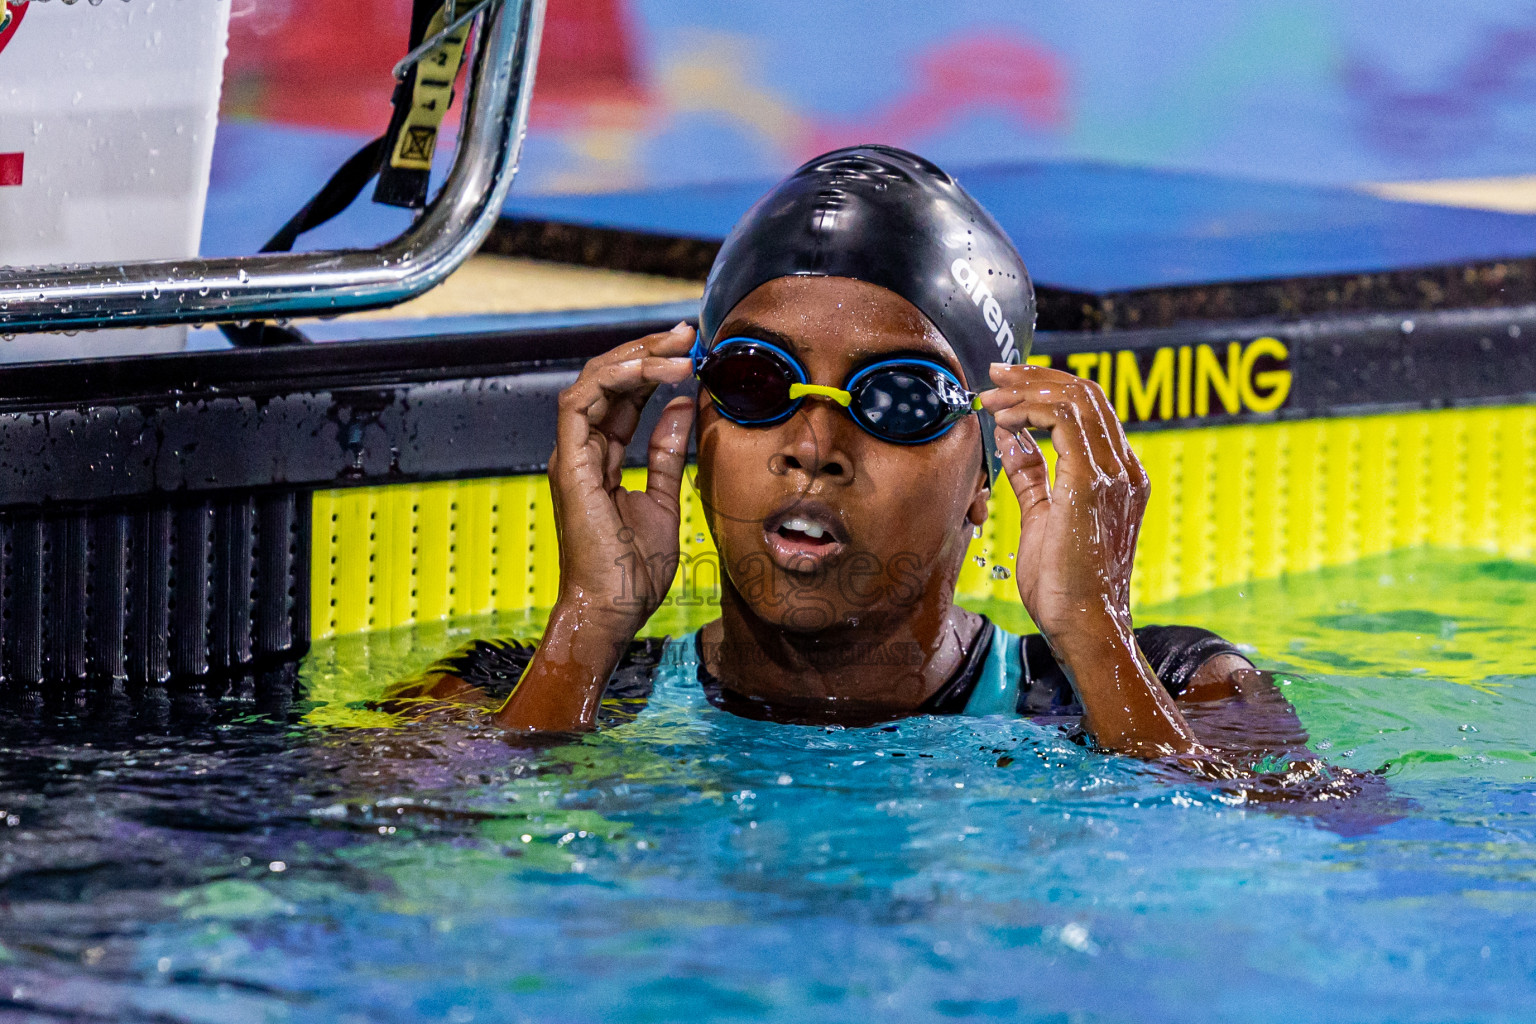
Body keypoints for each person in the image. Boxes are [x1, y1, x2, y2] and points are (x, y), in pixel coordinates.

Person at [394, 145, 1311, 768]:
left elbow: (1287, 862)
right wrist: (586, 629)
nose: (812, 447)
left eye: (898, 399)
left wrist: (1093, 630)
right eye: (757, 381)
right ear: (699, 426)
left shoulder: (1179, 684)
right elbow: (379, 865)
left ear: (986, 477)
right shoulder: (502, 690)